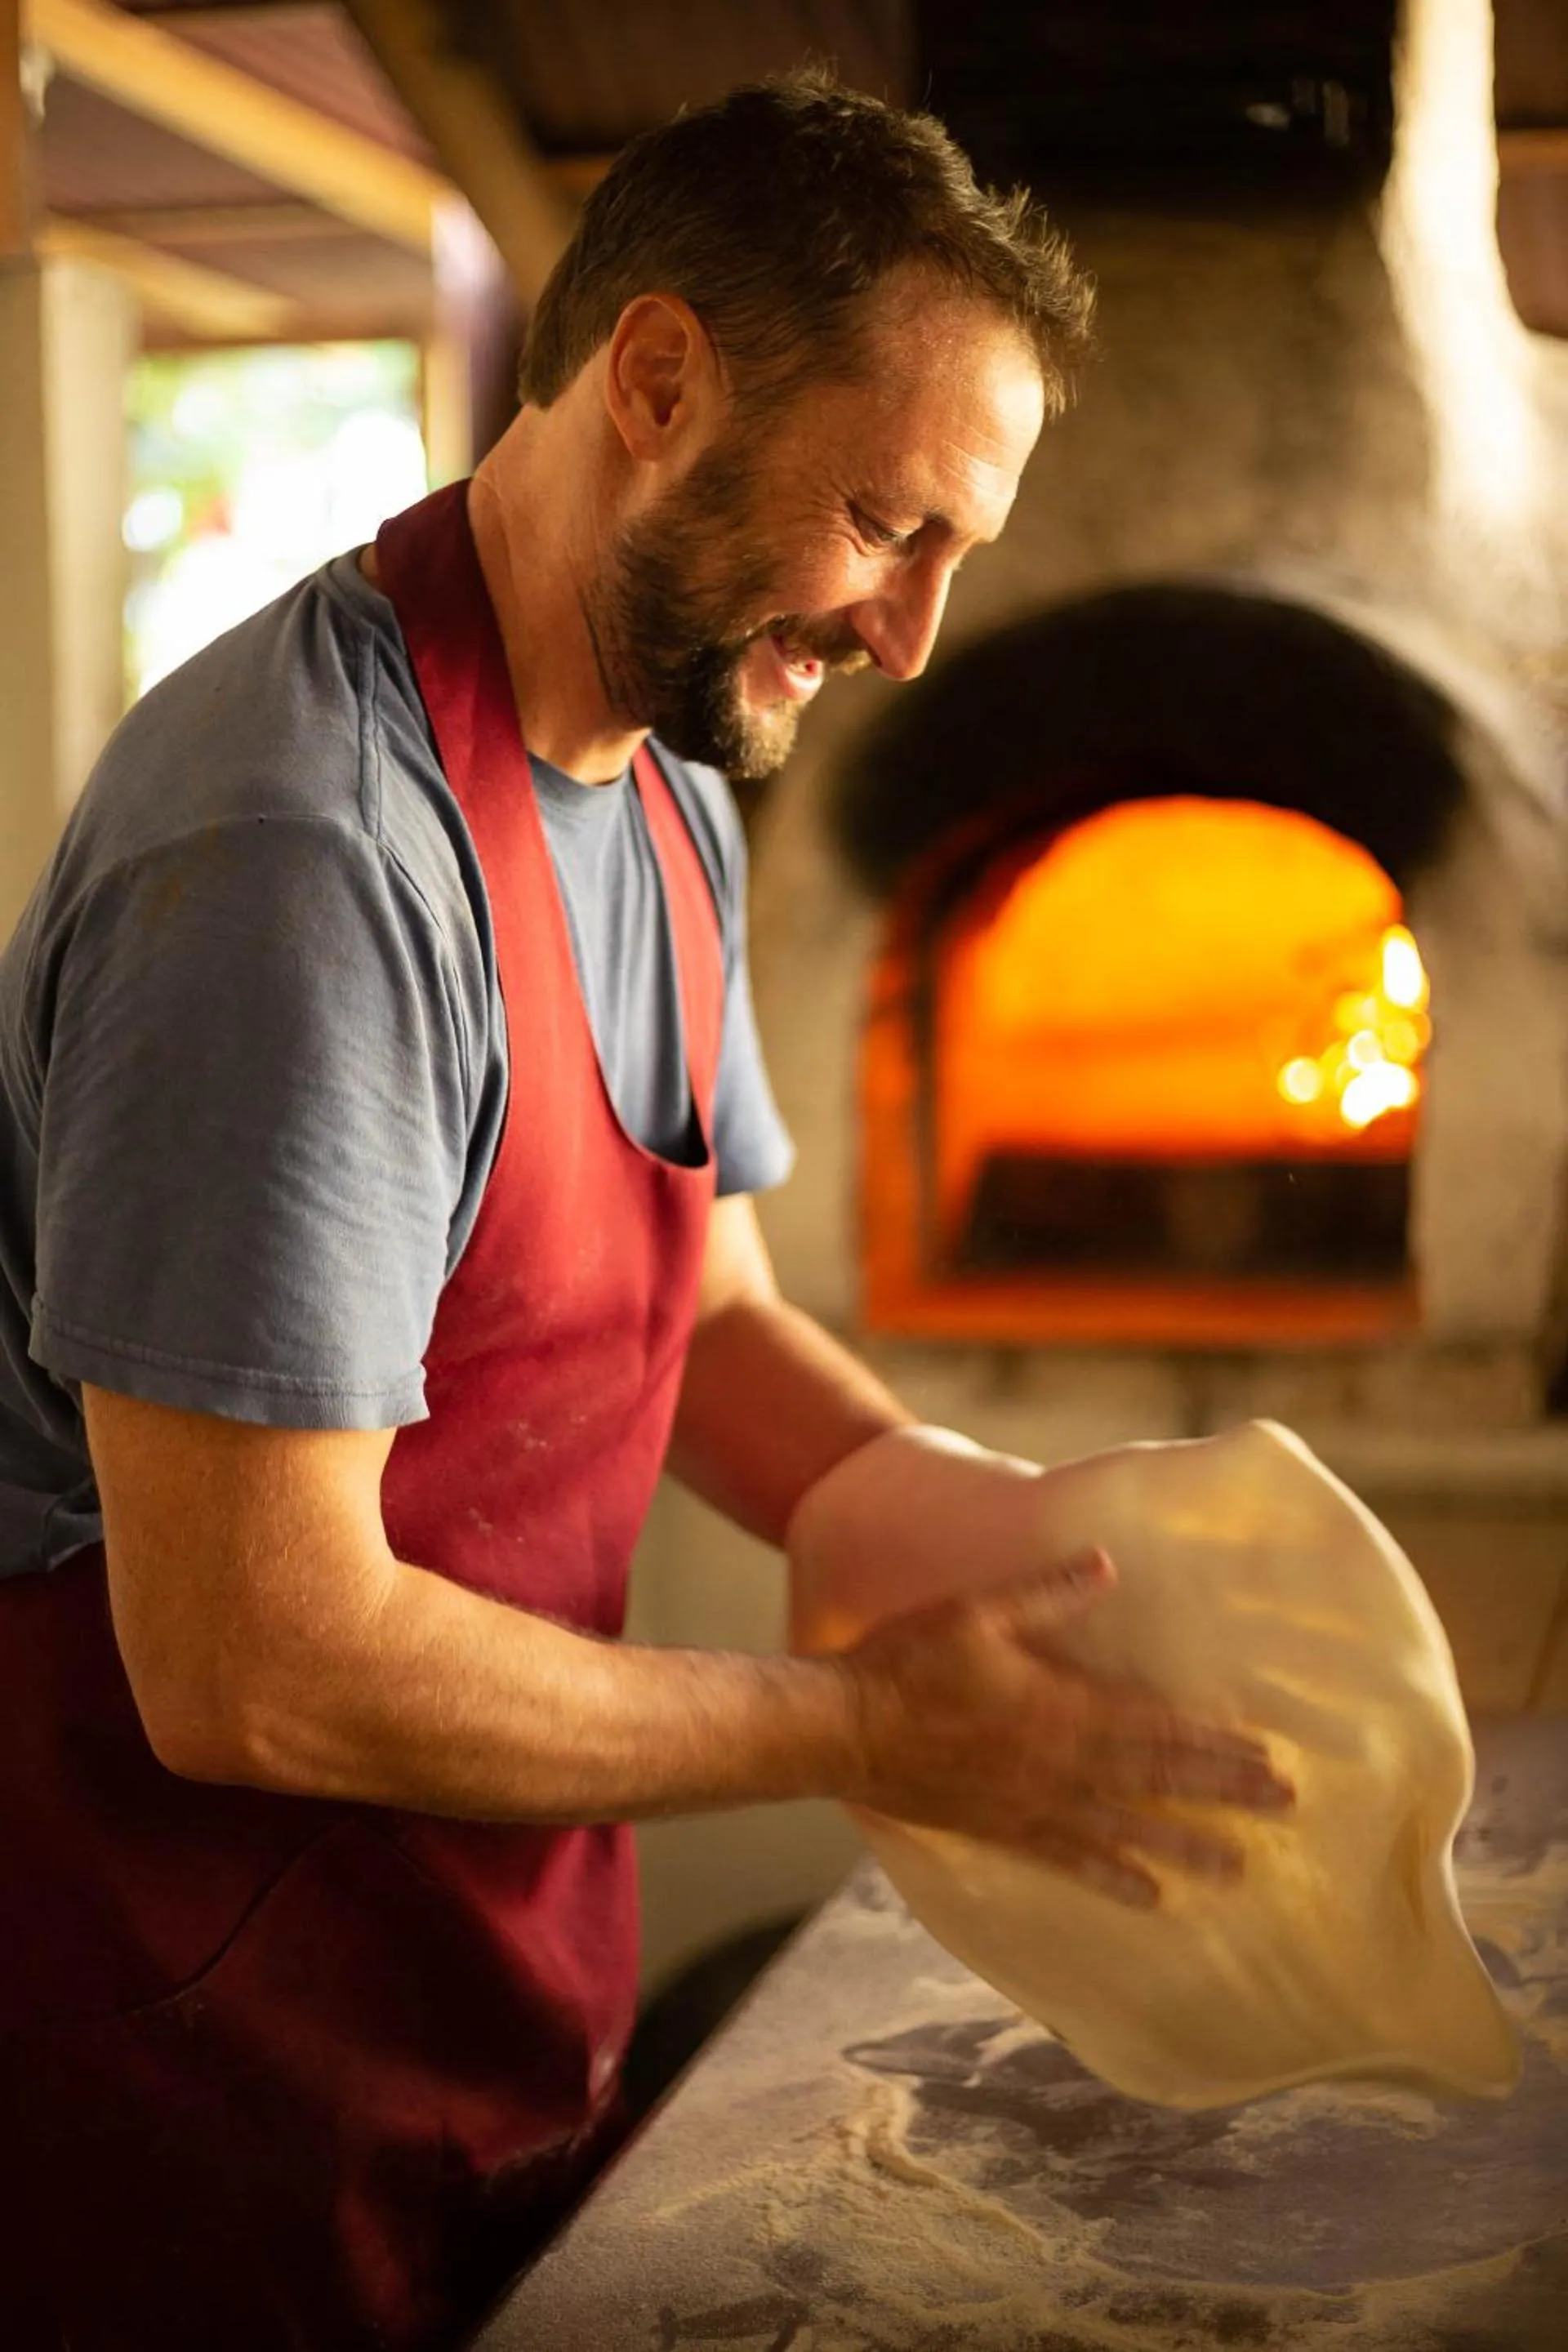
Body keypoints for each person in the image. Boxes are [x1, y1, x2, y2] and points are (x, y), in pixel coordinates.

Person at [0, 68, 1292, 2352]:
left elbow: (696, 1312)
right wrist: (874, 1731)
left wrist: (1031, 1548)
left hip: (477, 1979)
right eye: (892, 522)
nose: (915, 635)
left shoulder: (670, 775)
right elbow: (245, 1664)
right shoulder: (305, 863)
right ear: (663, 385)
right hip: (178, 2072)